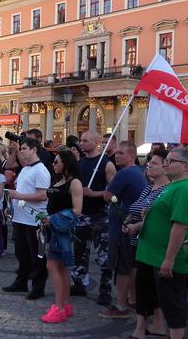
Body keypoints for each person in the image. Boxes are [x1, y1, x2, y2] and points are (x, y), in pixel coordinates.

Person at [136, 148, 188, 339]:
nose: (165, 164)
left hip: (167, 257)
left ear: (186, 166)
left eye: (170, 161)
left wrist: (169, 259)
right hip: (152, 254)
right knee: (161, 299)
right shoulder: (173, 185)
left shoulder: (184, 188)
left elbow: (180, 226)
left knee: (173, 306)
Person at [124, 150, 170, 338]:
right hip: (139, 240)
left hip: (154, 243)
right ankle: (155, 324)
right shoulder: (149, 187)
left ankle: (142, 327)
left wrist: (138, 225)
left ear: (165, 167)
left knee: (149, 285)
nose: (149, 165)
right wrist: (128, 220)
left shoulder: (167, 190)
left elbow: (161, 218)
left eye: (154, 163)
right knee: (145, 284)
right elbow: (136, 207)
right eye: (149, 162)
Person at [100, 141, 146, 318]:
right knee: (131, 264)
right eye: (116, 153)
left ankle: (120, 306)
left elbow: (107, 196)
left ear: (132, 156)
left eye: (121, 153)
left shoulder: (124, 173)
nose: (117, 155)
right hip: (132, 225)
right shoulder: (138, 172)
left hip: (122, 226)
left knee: (122, 267)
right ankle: (131, 299)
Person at [72, 130, 116, 305]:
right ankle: (79, 283)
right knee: (79, 253)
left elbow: (113, 193)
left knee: (104, 257)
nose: (81, 143)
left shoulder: (106, 164)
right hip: (82, 215)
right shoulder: (80, 162)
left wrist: (93, 193)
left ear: (96, 142)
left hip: (100, 216)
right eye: (81, 140)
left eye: (85, 140)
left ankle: (105, 290)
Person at [4, 138, 51, 300]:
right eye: (21, 148)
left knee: (36, 255)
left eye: (24, 148)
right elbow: (19, 191)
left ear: (34, 150)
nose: (21, 151)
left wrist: (20, 196)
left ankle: (38, 287)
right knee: (21, 253)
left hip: (34, 219)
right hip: (20, 218)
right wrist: (10, 206)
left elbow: (43, 194)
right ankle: (21, 282)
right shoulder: (25, 169)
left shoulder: (41, 170)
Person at [41, 150, 83, 323]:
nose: (53, 164)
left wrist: (53, 219)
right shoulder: (60, 180)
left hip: (62, 230)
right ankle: (64, 305)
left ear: (66, 163)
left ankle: (58, 308)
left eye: (57, 161)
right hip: (53, 227)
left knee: (53, 266)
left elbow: (77, 211)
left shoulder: (75, 183)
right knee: (61, 268)